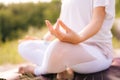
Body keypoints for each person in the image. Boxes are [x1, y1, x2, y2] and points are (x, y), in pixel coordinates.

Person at [18, 0, 115, 77]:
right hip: (72, 48)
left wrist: (78, 38)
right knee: (24, 46)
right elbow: (60, 22)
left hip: (96, 53)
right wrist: (42, 40)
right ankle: (62, 69)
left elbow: (97, 21)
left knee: (58, 46)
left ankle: (39, 70)